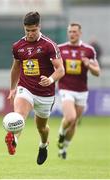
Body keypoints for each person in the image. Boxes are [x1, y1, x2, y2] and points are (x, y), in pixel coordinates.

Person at [4, 11, 64, 165]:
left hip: (45, 94)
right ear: (24, 28)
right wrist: (12, 88)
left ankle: (44, 145)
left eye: (33, 30)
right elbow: (16, 68)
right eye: (27, 30)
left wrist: (50, 80)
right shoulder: (18, 46)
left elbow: (60, 70)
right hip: (26, 88)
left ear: (39, 27)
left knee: (42, 128)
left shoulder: (49, 45)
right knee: (19, 115)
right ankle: (14, 140)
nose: (30, 34)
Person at [57, 22, 100, 159]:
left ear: (80, 33)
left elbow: (97, 72)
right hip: (65, 89)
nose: (72, 34)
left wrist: (89, 65)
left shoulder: (88, 50)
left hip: (82, 91)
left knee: (74, 123)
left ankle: (64, 148)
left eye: (75, 32)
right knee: (71, 117)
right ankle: (61, 133)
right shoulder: (60, 49)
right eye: (70, 31)